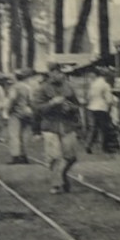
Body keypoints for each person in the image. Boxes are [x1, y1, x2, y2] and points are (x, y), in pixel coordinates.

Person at [33, 65, 82, 194]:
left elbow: (77, 105)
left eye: (58, 72)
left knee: (71, 157)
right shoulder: (42, 89)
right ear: (49, 74)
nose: (56, 75)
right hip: (50, 125)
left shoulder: (69, 87)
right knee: (54, 157)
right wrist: (51, 103)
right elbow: (37, 109)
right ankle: (56, 184)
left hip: (67, 125)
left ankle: (62, 175)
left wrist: (70, 108)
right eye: (53, 72)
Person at [6, 68, 37, 164]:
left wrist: (8, 110)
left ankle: (16, 156)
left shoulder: (15, 87)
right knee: (24, 135)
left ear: (16, 77)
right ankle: (24, 156)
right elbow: (32, 101)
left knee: (14, 134)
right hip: (27, 113)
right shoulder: (28, 87)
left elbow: (12, 99)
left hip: (16, 113)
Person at [84, 63, 115, 154]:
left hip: (91, 107)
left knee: (93, 128)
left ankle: (88, 145)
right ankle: (105, 147)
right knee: (104, 128)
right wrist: (111, 104)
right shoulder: (105, 85)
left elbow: (89, 96)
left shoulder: (93, 84)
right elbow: (109, 99)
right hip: (101, 108)